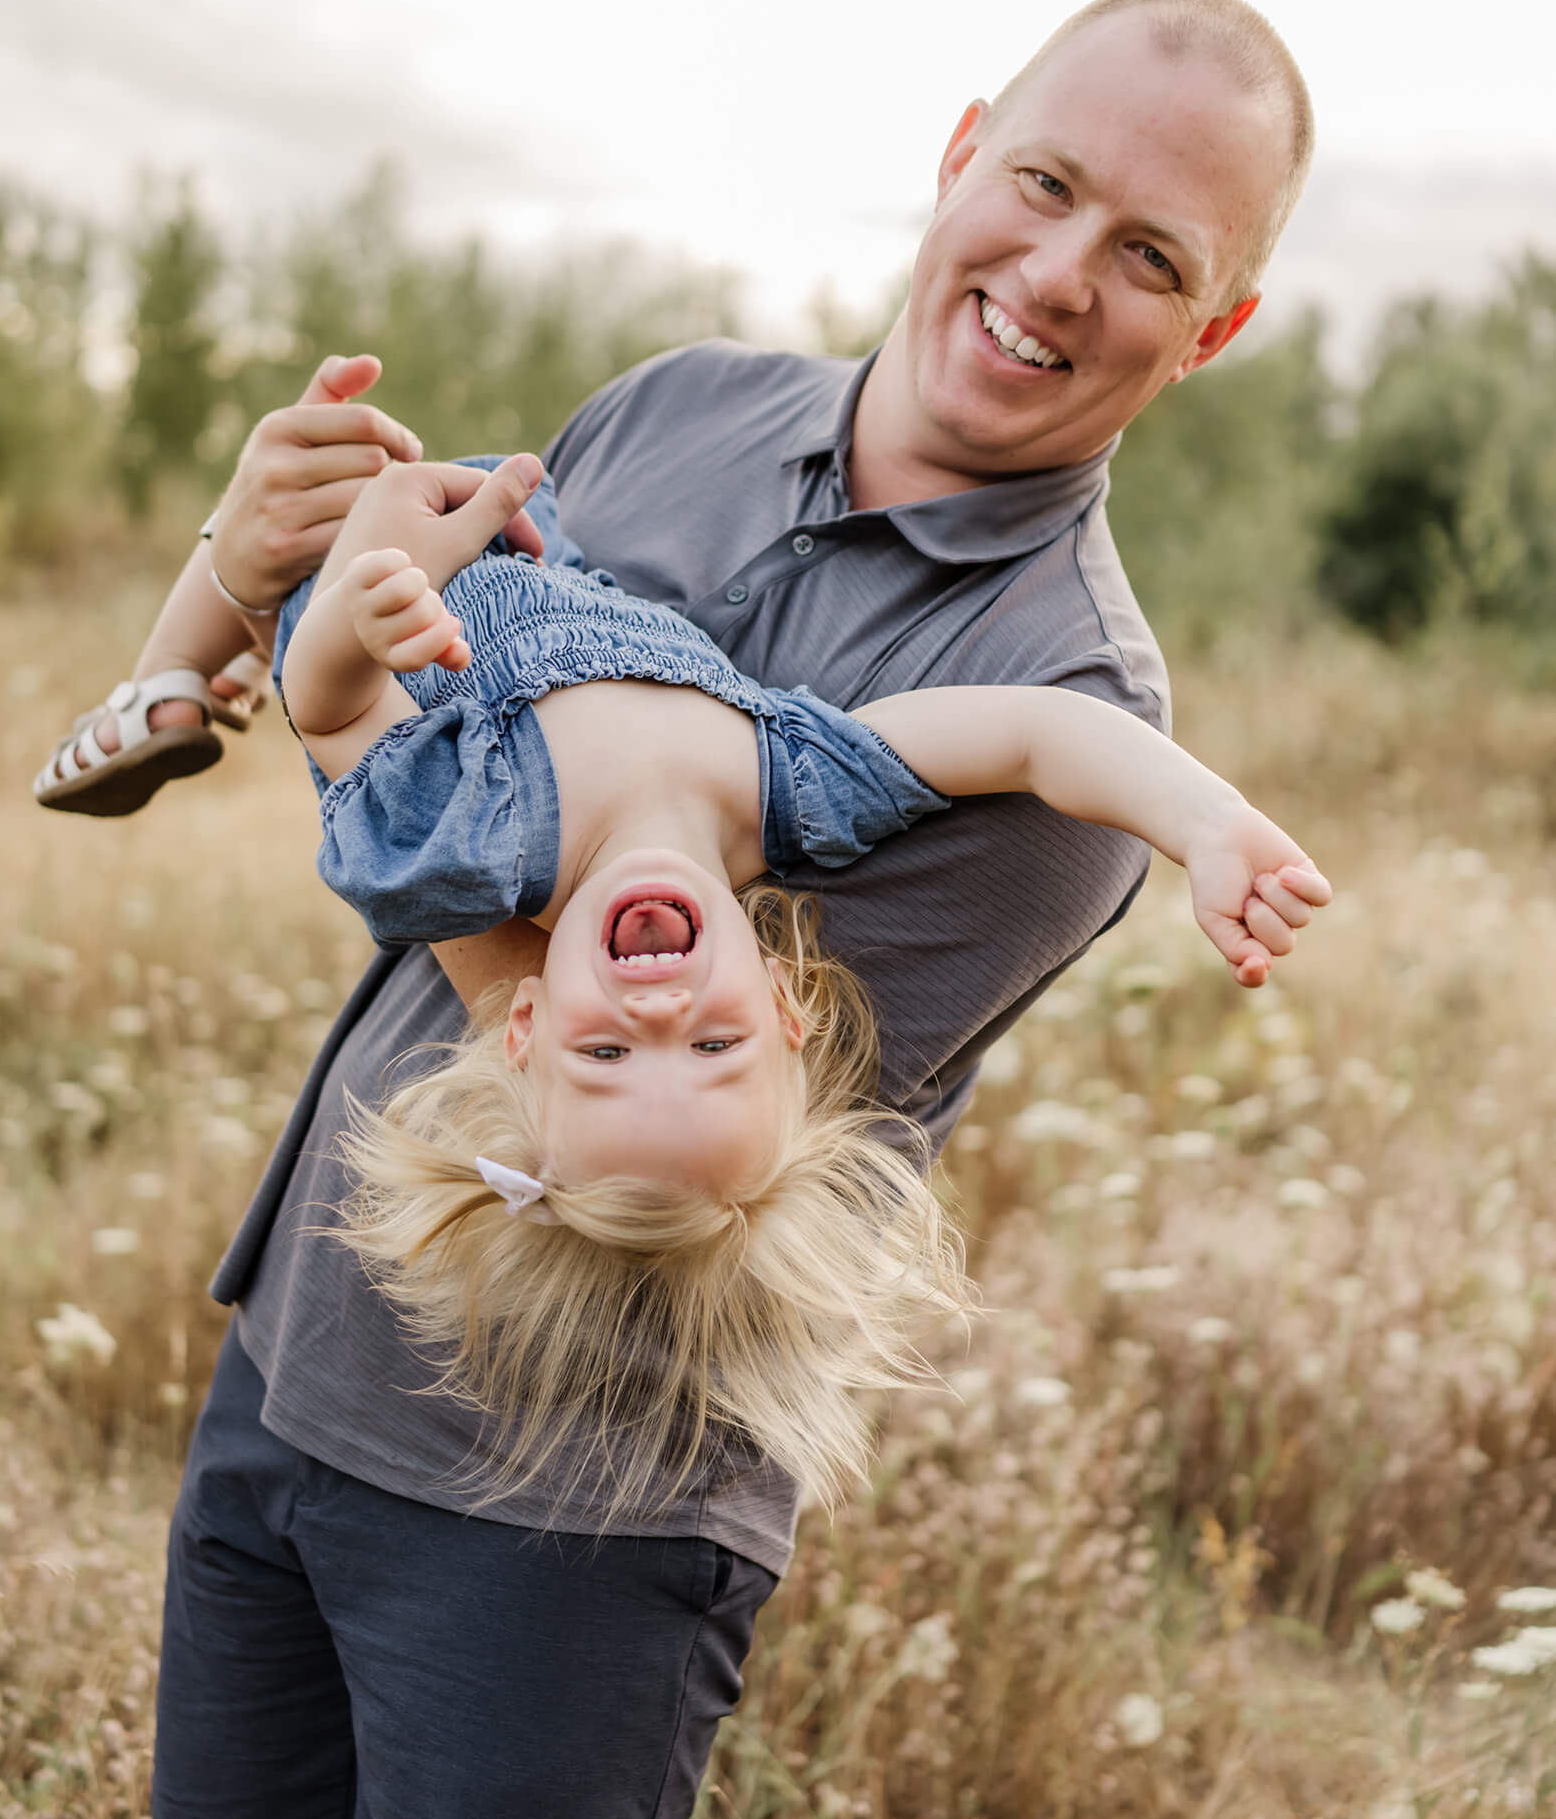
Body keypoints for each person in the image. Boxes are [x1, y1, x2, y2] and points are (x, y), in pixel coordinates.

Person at [147, 0, 1319, 1819]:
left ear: (1216, 324)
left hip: (568, 1485)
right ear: (964, 146)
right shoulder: (674, 404)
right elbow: (408, 705)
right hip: (307, 1332)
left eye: (1151, 253)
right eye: (1045, 184)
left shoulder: (1062, 711)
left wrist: (361, 749)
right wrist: (263, 563)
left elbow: (630, 1025)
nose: (1062, 270)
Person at [256, 451, 1326, 1538]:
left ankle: (173, 668)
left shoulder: (467, 845)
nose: (659, 1017)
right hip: (532, 521)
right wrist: (1201, 820)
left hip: (373, 556)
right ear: (783, 1003)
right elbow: (1033, 736)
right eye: (717, 1046)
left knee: (281, 509)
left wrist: (362, 604)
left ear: (524, 1024)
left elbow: (331, 718)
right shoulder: (802, 787)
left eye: (608, 1059)